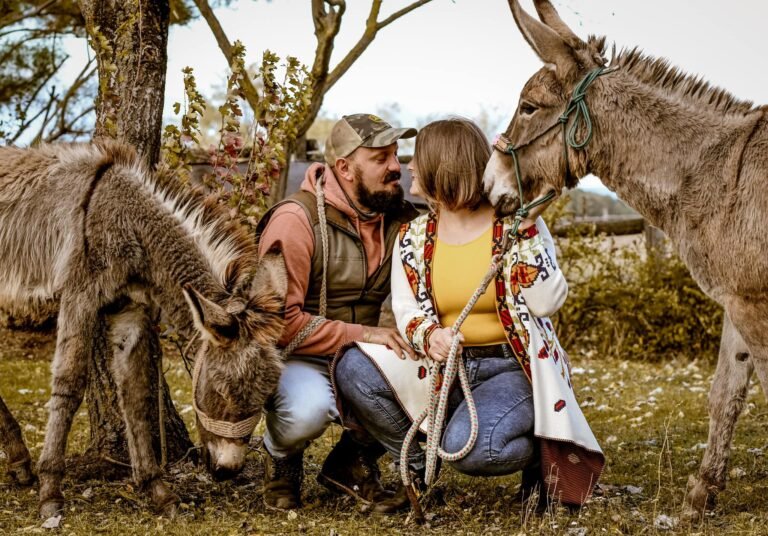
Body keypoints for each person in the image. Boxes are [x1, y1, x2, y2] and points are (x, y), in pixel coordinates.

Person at [334, 118, 604, 510]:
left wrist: (528, 231)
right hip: (446, 367)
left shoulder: (515, 225)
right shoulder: (414, 236)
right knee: (353, 367)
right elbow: (405, 308)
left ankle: (543, 455)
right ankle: (416, 465)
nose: (409, 167)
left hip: (511, 368)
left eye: (418, 159)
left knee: (478, 451)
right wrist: (430, 335)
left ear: (444, 166)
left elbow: (547, 302)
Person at [255, 114, 419, 510]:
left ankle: (349, 463)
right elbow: (276, 325)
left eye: (395, 155)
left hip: (360, 356)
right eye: (380, 158)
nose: (396, 167)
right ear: (344, 168)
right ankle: (283, 458)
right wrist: (363, 335)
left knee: (426, 381)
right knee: (306, 412)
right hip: (301, 354)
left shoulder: (400, 219)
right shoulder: (296, 221)